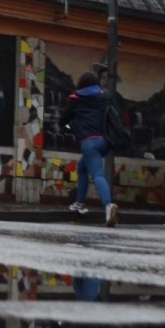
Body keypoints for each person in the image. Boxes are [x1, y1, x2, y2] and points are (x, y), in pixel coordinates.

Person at [60, 71, 119, 227]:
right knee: (82, 168)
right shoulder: (104, 97)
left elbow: (64, 119)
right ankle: (79, 203)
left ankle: (108, 205)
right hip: (104, 141)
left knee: (98, 174)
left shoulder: (76, 99)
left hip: (89, 142)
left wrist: (65, 124)